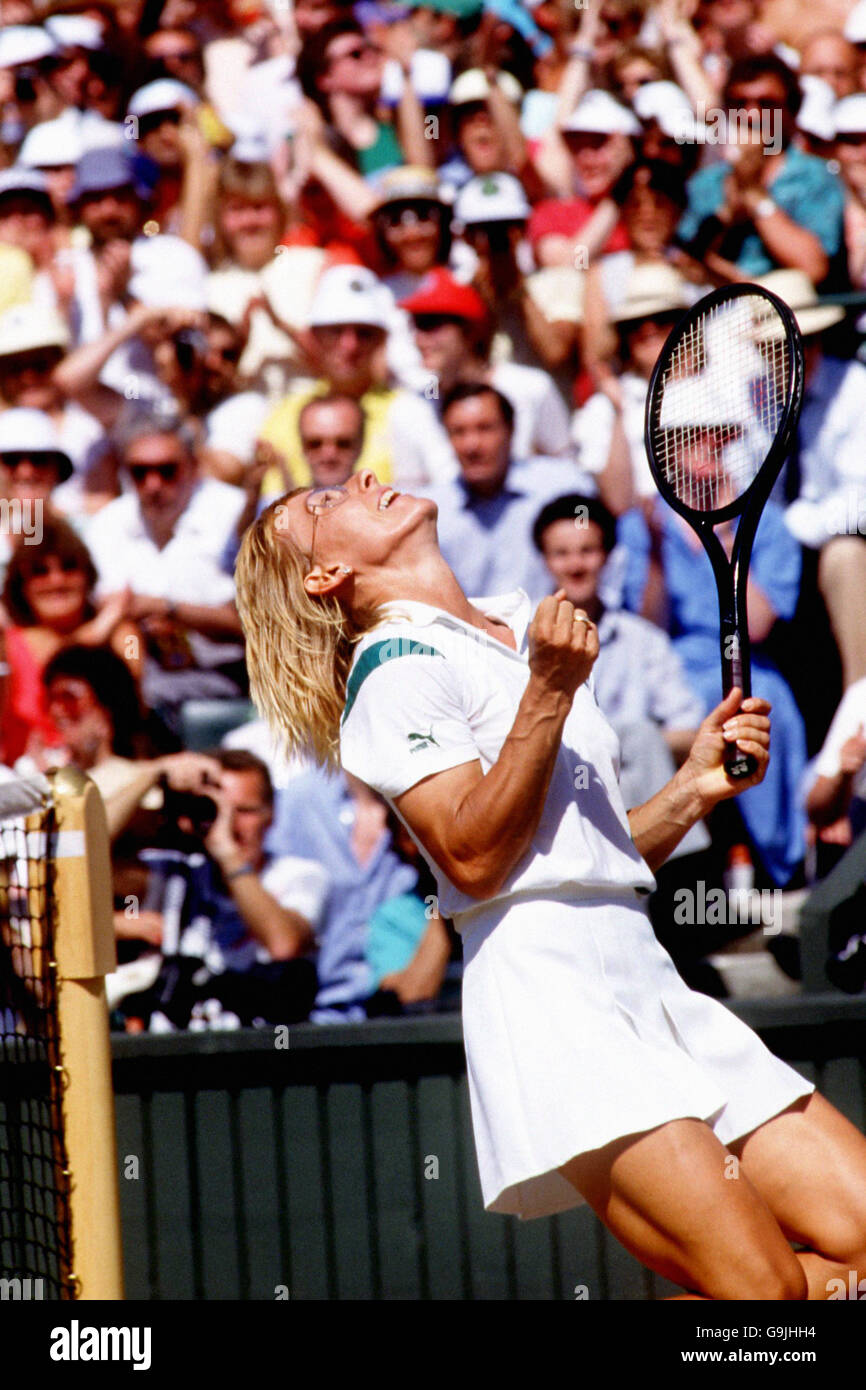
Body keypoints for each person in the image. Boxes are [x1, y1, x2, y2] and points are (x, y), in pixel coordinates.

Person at [234, 468, 866, 1298]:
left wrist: (691, 789)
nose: (358, 480)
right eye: (321, 504)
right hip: (554, 1007)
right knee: (767, 1298)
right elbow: (473, 860)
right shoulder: (392, 674)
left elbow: (580, 854)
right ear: (326, 577)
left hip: (649, 982)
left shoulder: (514, 631)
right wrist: (548, 693)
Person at [425, 382, 582, 604]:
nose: (472, 445)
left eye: (485, 428)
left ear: (511, 430)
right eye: (458, 432)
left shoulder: (563, 486)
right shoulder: (430, 513)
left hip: (553, 630)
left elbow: (603, 559)